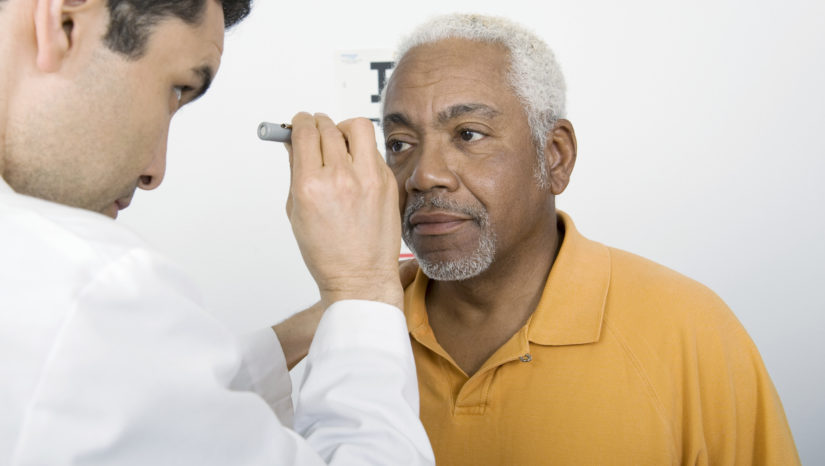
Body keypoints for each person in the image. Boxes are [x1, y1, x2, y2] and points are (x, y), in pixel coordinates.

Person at [0, 0, 433, 464]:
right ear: (62, 23)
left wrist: (331, 315)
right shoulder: (86, 290)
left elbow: (153, 393)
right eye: (176, 88)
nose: (154, 171)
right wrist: (362, 288)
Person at [379, 13, 800, 465]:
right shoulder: (356, 337)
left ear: (555, 156)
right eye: (400, 143)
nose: (423, 176)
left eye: (468, 134)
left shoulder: (691, 330)